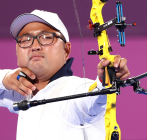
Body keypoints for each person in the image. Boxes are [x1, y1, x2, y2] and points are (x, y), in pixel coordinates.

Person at [0, 10, 130, 140]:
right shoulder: (21, 93)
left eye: (46, 37)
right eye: (25, 40)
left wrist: (105, 80)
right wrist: (5, 78)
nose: (35, 46)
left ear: (66, 50)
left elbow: (91, 98)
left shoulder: (72, 90)